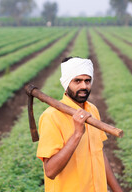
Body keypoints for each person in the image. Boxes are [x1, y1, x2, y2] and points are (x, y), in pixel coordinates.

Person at [37, 57, 122, 192]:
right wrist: (77, 134)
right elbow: (50, 171)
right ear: (67, 82)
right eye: (77, 81)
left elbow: (99, 153)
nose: (84, 86)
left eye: (87, 81)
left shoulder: (92, 110)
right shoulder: (51, 117)